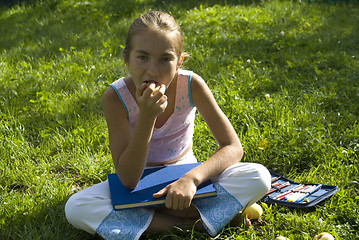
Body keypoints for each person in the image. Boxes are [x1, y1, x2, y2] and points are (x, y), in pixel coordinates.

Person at [65, 11, 271, 240]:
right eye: (142, 57)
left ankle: (152, 216)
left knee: (259, 176)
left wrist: (191, 179)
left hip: (185, 175)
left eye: (165, 59)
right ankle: (189, 223)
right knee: (77, 207)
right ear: (127, 58)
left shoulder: (191, 84)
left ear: (180, 60)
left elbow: (233, 147)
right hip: (137, 183)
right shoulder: (115, 96)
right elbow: (128, 179)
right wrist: (147, 116)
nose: (153, 70)